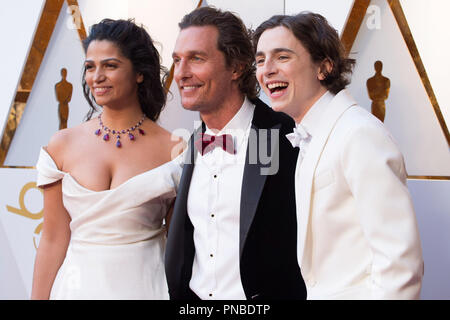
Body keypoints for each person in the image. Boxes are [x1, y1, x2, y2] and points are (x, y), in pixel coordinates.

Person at [253, 12, 424, 299]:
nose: (266, 70)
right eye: (260, 60)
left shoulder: (359, 134)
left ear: (324, 67)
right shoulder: (309, 135)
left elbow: (400, 266)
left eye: (282, 57)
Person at [31, 19, 183, 299]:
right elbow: (53, 239)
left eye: (110, 65)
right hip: (75, 290)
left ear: (139, 73)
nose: (96, 76)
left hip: (148, 289)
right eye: (90, 67)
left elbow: (179, 246)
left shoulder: (175, 149)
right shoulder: (62, 144)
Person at [164, 7, 306, 300]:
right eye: (177, 60)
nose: (181, 73)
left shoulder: (288, 137)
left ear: (237, 67)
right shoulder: (193, 142)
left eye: (196, 59)